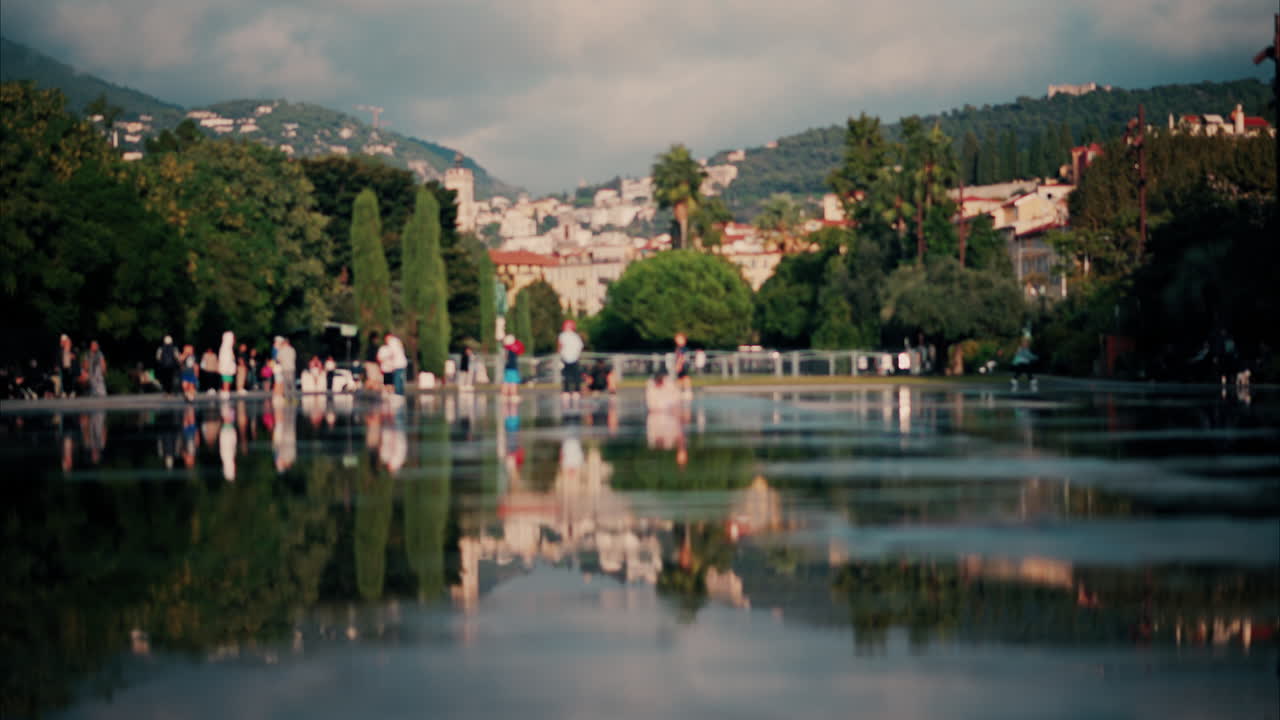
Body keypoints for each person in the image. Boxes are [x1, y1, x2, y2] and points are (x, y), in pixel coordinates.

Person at [558, 319, 585, 402]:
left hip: (574, 357)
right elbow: (560, 346)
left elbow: (580, 346)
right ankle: (566, 391)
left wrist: (577, 355)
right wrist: (560, 355)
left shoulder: (575, 336)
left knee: (576, 375)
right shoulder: (562, 335)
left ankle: (576, 391)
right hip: (565, 358)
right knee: (566, 376)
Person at [218, 331, 237, 396]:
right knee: (226, 379)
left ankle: (226, 391)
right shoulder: (225, 348)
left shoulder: (228, 348)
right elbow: (225, 359)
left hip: (228, 368)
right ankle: (225, 391)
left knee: (228, 380)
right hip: (226, 368)